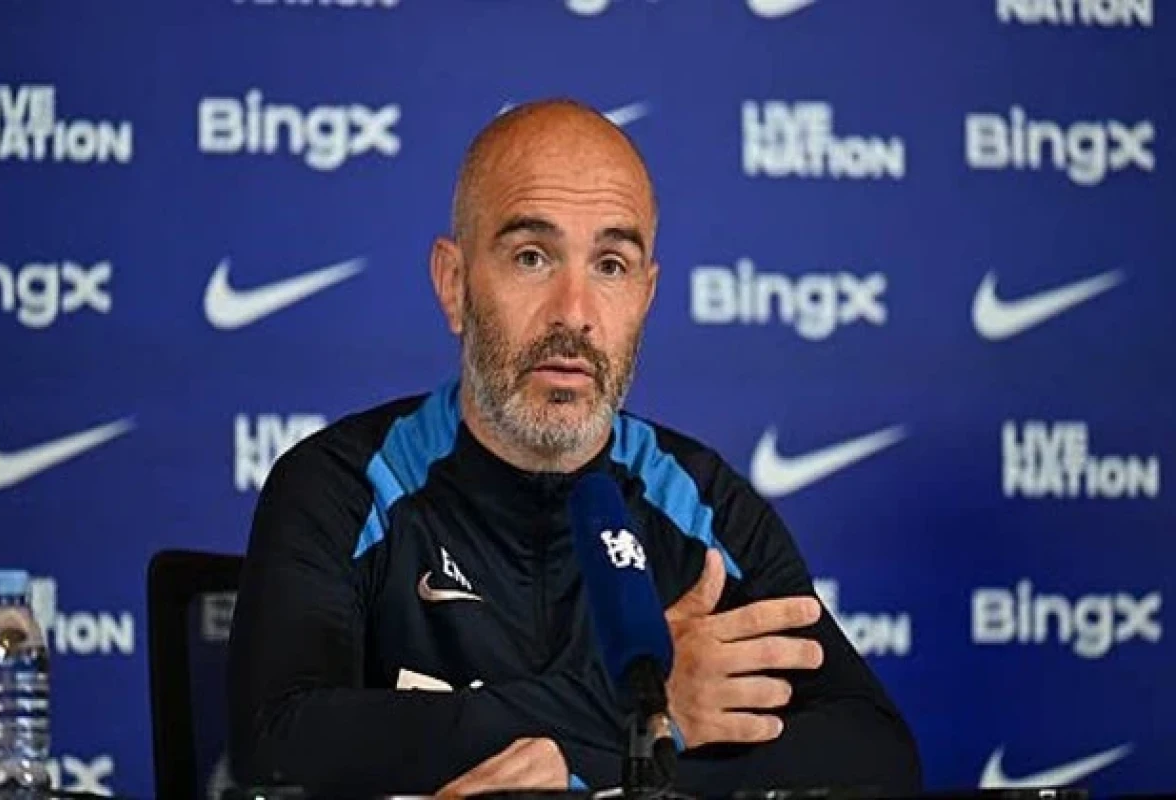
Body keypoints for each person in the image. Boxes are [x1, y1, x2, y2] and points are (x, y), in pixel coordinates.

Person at [225, 98, 921, 798]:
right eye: (532, 257)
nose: (574, 313)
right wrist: (641, 708)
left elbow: (876, 756)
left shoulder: (697, 504)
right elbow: (276, 746)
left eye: (611, 266)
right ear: (454, 284)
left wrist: (610, 765)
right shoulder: (348, 486)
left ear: (646, 296)